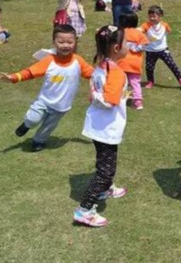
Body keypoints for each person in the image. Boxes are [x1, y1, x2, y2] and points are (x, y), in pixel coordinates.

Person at [0, 25, 93, 152]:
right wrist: (13, 77)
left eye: (70, 42)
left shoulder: (78, 61)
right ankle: (26, 125)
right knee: (33, 119)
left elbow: (93, 74)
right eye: (61, 42)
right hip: (44, 101)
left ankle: (38, 141)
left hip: (62, 106)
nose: (65, 45)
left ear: (75, 43)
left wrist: (108, 76)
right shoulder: (49, 61)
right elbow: (30, 72)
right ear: (54, 42)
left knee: (49, 126)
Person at [74, 25, 129, 227]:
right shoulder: (115, 72)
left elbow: (97, 91)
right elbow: (110, 100)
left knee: (105, 161)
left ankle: (106, 188)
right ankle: (84, 209)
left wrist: (96, 95)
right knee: (105, 169)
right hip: (106, 127)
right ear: (116, 47)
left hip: (98, 125)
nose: (128, 46)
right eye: (126, 43)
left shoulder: (101, 65)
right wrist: (100, 96)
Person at [140, 5, 181, 89]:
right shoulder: (146, 25)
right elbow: (140, 30)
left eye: (154, 16)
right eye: (150, 16)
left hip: (163, 50)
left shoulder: (164, 25)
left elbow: (169, 31)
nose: (152, 18)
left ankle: (180, 79)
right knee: (149, 68)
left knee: (171, 64)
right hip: (150, 51)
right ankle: (150, 81)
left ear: (160, 16)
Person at [117, 13, 149, 110]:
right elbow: (145, 44)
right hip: (135, 63)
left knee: (121, 81)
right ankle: (138, 102)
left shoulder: (121, 32)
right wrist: (135, 48)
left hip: (121, 62)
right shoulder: (139, 34)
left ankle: (120, 98)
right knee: (135, 82)